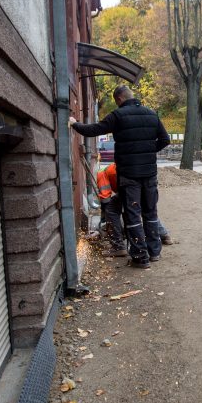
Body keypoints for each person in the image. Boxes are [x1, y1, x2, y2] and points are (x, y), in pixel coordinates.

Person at [70, 85, 170, 268]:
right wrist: (146, 152)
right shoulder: (151, 114)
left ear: (118, 99)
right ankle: (155, 253)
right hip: (150, 175)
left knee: (132, 215)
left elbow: (93, 130)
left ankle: (141, 258)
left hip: (129, 175)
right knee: (150, 213)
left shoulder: (118, 115)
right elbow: (165, 140)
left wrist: (74, 123)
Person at [96, 162, 172, 258]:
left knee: (111, 210)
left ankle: (118, 247)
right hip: (146, 181)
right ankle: (164, 235)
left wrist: (105, 219)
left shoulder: (101, 174)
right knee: (147, 211)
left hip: (130, 187)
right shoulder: (114, 167)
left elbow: (105, 199)